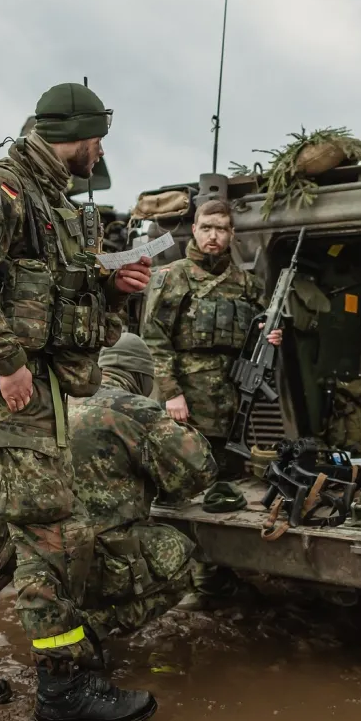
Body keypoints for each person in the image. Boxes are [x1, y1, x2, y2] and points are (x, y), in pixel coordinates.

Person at [0, 81, 157, 721]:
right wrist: (8, 362)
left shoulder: (50, 199)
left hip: (38, 382)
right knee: (52, 526)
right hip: (10, 386)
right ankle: (65, 686)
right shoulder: (0, 188)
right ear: (74, 133)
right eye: (98, 137)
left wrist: (111, 285)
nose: (100, 150)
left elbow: (46, 290)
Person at [141, 198, 280, 608]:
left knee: (223, 488)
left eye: (221, 228)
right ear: (195, 230)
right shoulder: (174, 277)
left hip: (231, 401)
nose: (213, 236)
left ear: (232, 234)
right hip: (185, 402)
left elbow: (255, 341)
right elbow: (153, 339)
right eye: (206, 227)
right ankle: (182, 580)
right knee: (183, 488)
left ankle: (215, 578)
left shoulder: (248, 284)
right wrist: (171, 393)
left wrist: (272, 340)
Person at [67, 333, 217, 642]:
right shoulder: (134, 408)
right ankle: (92, 629)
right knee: (180, 558)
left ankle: (70, 615)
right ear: (140, 375)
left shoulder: (62, 399)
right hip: (100, 556)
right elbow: (201, 469)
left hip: (47, 557)